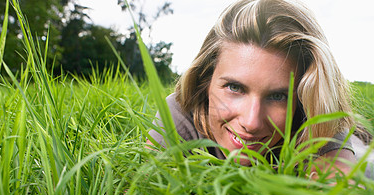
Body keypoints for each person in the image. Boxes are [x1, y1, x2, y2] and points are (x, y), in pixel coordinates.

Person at [148, 0, 370, 177]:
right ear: (205, 80)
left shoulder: (319, 119)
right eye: (234, 87)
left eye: (278, 96)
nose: (251, 123)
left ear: (303, 99)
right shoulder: (179, 114)